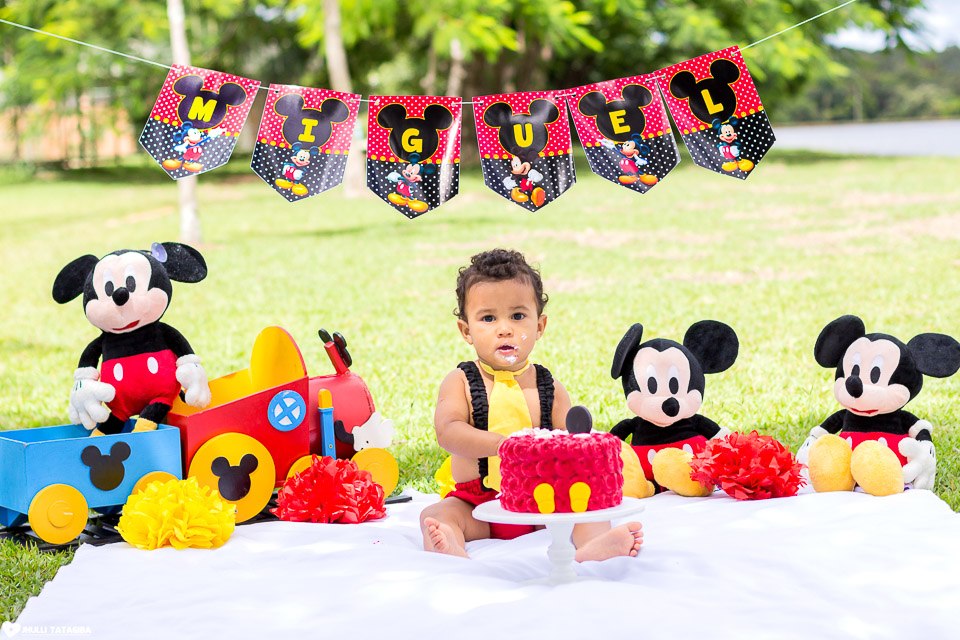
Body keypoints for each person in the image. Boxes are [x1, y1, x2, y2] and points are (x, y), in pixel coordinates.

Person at [420, 248, 643, 560]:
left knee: (588, 512)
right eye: (488, 318)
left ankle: (593, 547)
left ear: (539, 326)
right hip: (479, 504)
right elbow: (448, 431)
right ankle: (451, 544)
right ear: (466, 331)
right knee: (438, 513)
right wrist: (503, 445)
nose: (505, 328)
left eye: (518, 316)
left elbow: (573, 441)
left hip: (543, 500)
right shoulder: (461, 381)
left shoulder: (547, 386)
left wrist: (584, 445)